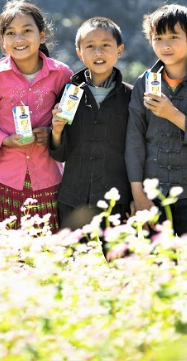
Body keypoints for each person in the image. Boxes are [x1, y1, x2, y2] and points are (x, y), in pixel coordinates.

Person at [126, 4, 187, 246]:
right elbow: (134, 141)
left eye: (173, 37)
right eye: (158, 38)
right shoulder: (143, 83)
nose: (165, 45)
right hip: (153, 195)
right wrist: (138, 196)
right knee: (158, 273)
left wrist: (173, 115)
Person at [0, 0, 73, 231]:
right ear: (2, 41)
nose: (18, 39)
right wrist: (7, 140)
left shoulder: (61, 74)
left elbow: (70, 122)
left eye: (27, 31)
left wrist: (51, 133)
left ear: (42, 36)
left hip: (48, 178)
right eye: (10, 33)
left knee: (46, 251)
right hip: (1, 178)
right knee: (3, 253)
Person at [49, 17, 133, 252]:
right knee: (72, 265)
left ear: (119, 50)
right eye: (90, 46)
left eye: (106, 45)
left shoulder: (131, 97)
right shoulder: (69, 93)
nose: (98, 52)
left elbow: (136, 149)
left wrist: (136, 195)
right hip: (74, 197)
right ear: (79, 53)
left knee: (122, 265)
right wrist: (56, 130)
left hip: (117, 199)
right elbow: (60, 153)